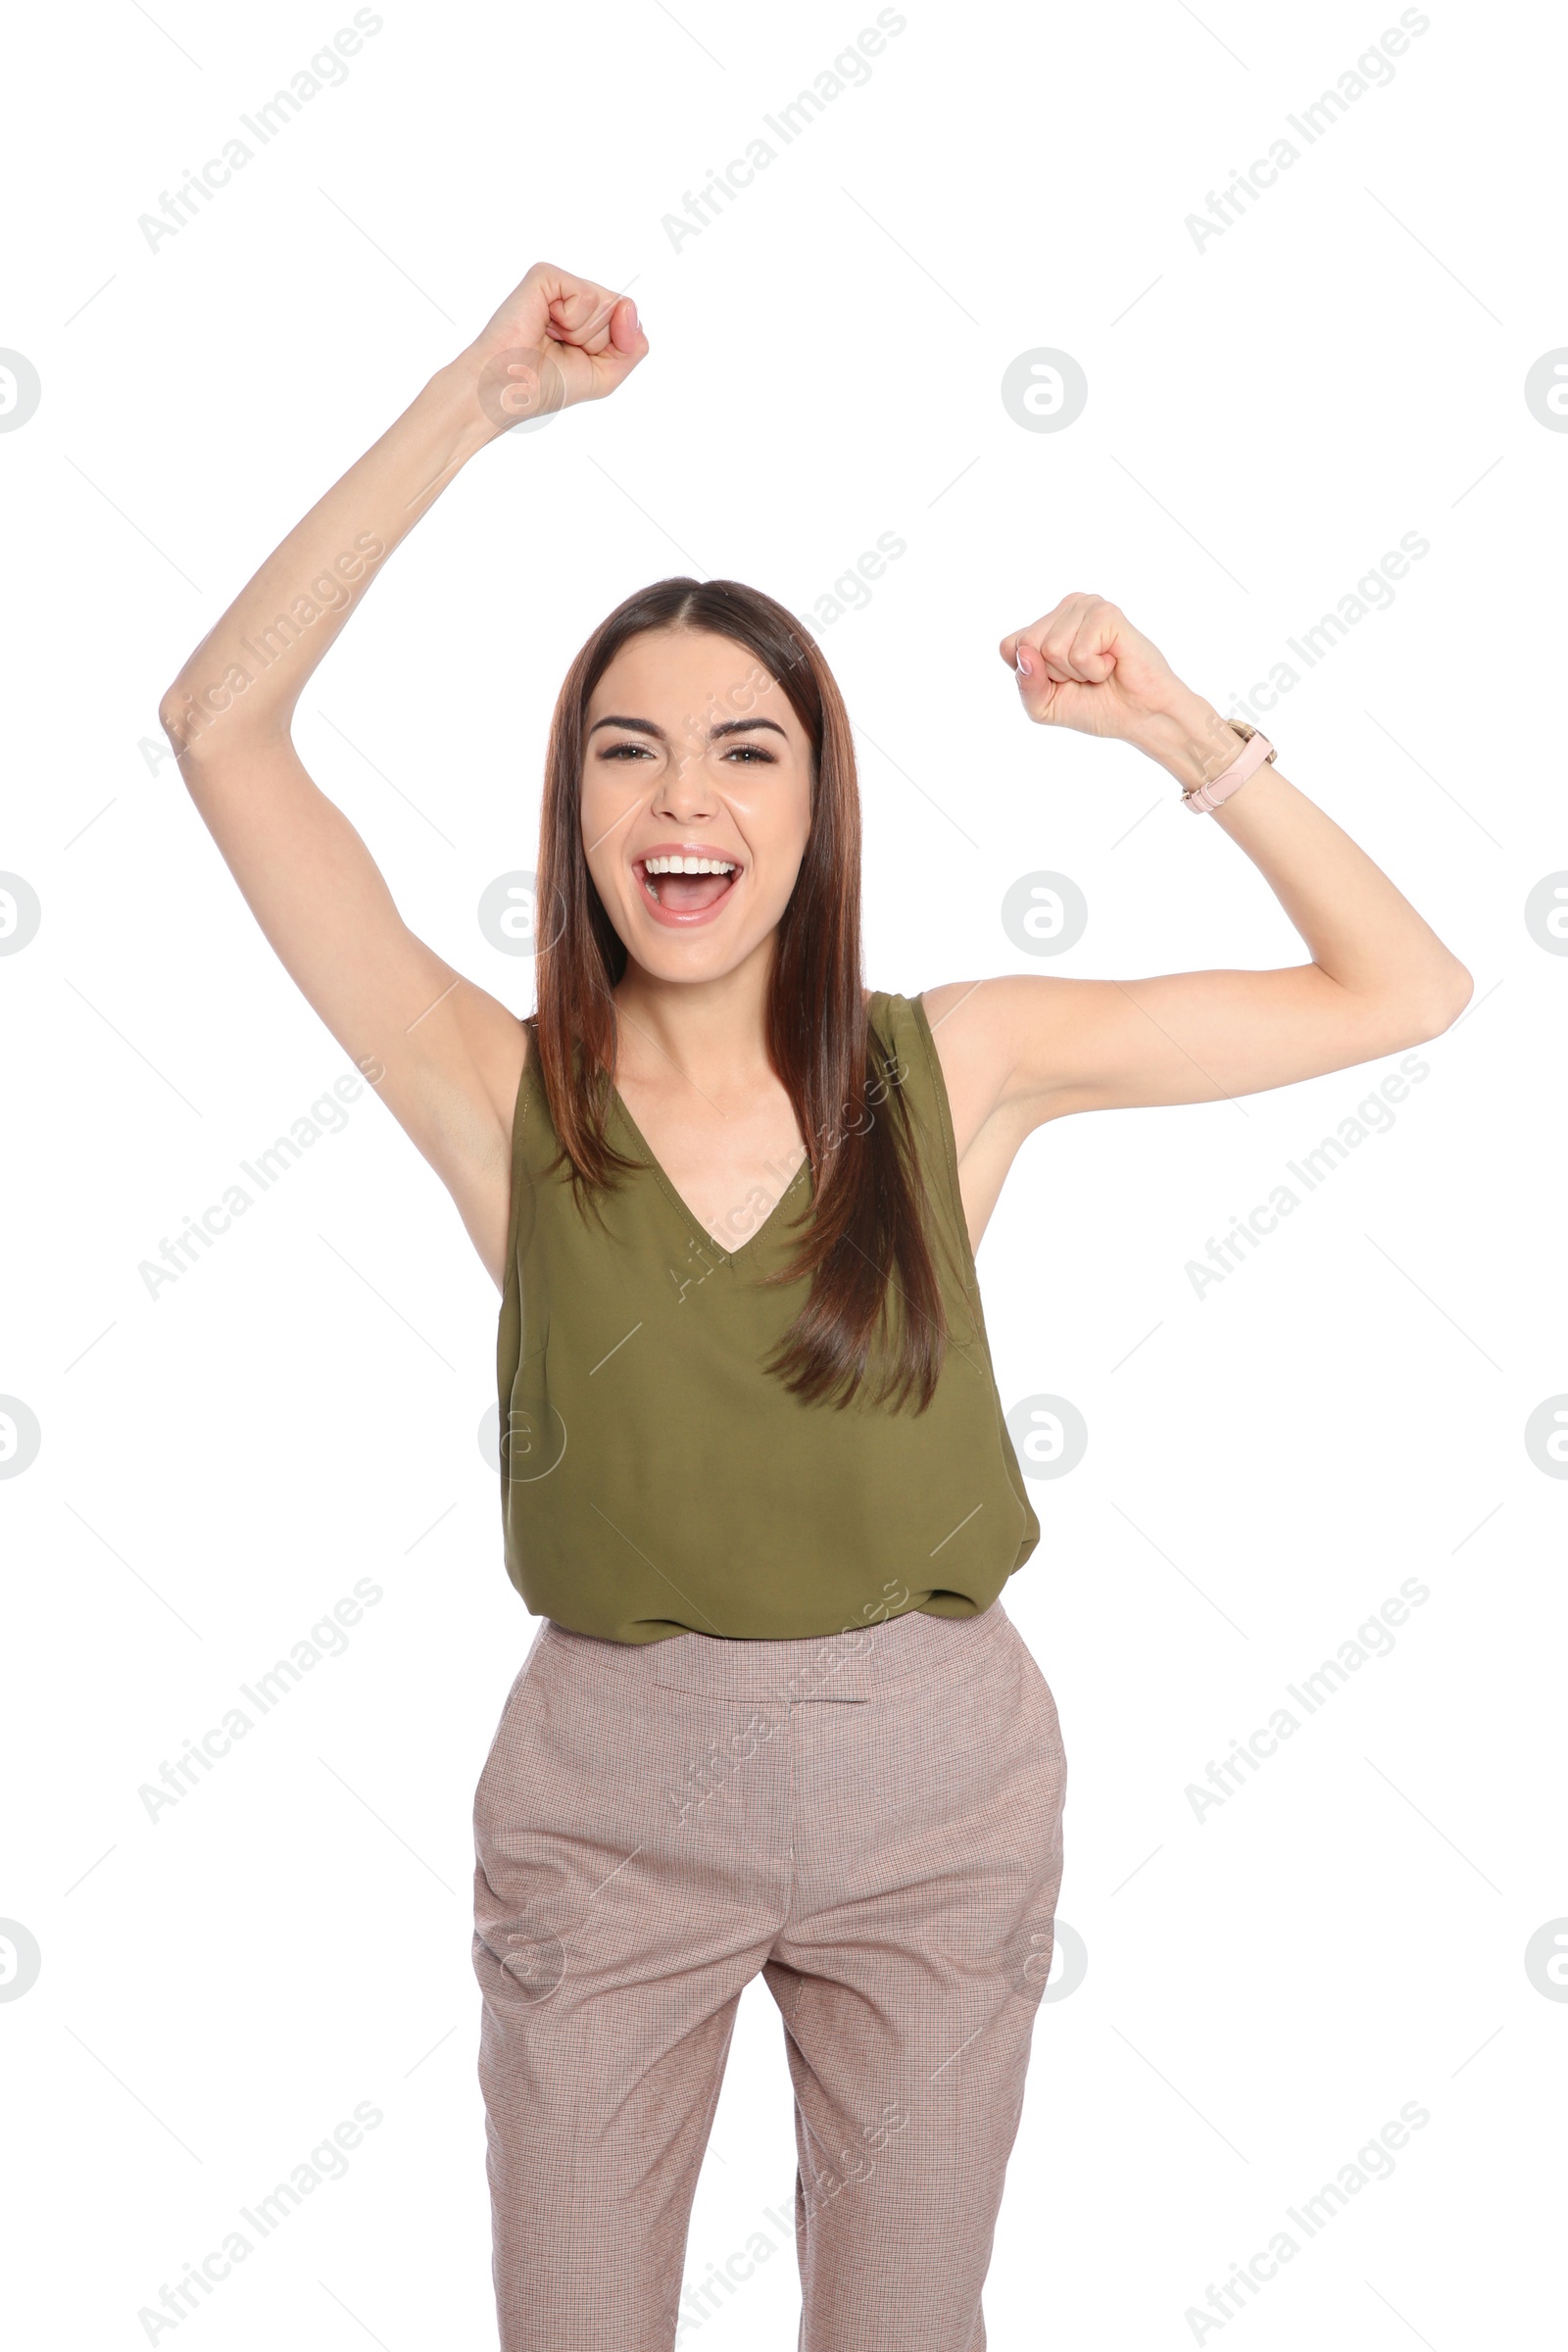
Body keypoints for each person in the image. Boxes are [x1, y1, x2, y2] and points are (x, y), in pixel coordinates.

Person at [159, 263, 1472, 2352]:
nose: (684, 800)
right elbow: (220, 729)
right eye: (629, 753)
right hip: (608, 1804)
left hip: (937, 1797)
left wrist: (1169, 729)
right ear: (576, 813)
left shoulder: (958, 1064)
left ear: (809, 813)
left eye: (744, 753)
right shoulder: (497, 1092)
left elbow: (1401, 992)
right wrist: (470, 403)